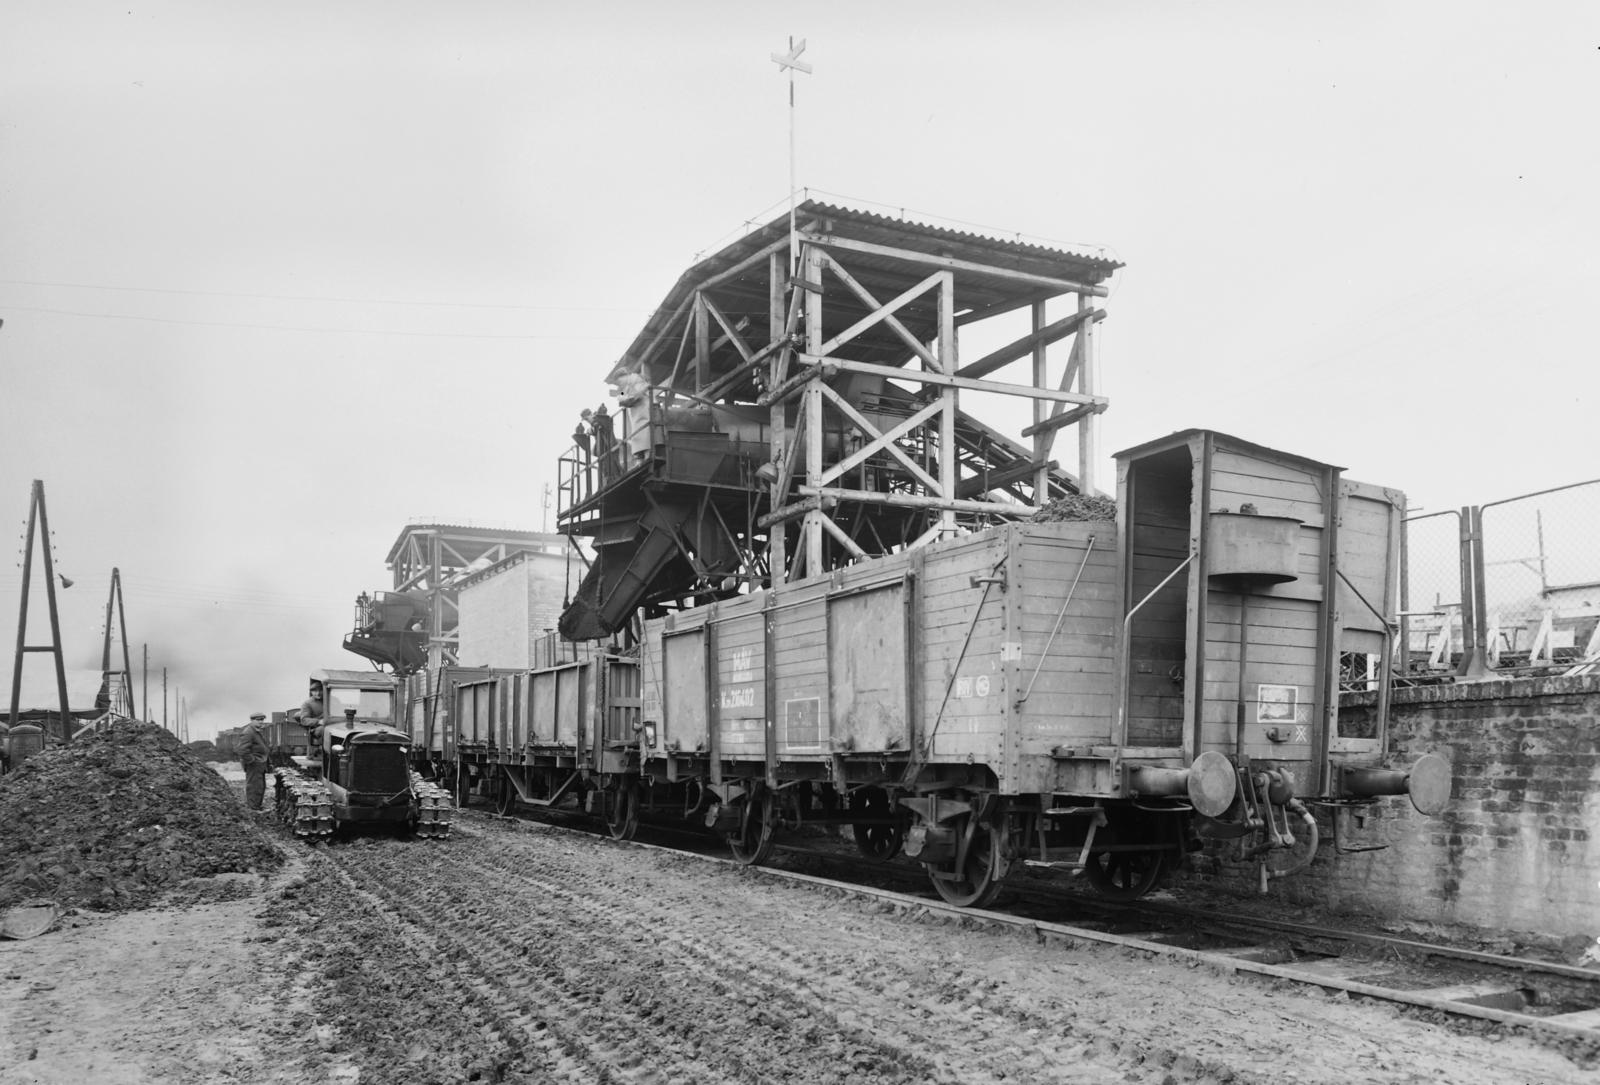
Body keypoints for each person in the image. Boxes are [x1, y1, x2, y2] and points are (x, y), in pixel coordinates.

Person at [238, 713, 271, 811]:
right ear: (252, 720)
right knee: (253, 786)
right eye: (258, 720)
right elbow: (242, 750)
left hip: (259, 763)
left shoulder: (256, 731)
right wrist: (252, 761)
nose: (260, 722)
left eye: (262, 720)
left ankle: (257, 806)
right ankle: (253, 808)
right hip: (254, 764)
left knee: (259, 786)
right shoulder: (248, 732)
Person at [591, 404, 616, 485]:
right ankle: (605, 482)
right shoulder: (597, 423)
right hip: (603, 449)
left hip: (608, 447)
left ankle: (609, 481)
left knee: (609, 467)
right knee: (604, 468)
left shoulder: (602, 421)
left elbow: (595, 425)